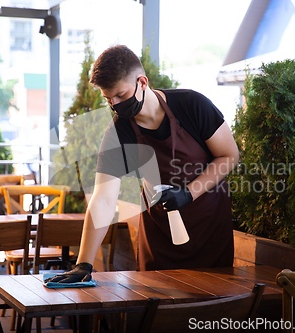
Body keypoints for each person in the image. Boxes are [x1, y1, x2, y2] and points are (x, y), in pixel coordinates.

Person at [45, 45, 239, 284]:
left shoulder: (193, 105)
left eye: (121, 95)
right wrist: (83, 263)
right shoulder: (119, 132)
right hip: (160, 236)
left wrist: (189, 193)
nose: (115, 104)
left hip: (209, 228)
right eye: (108, 99)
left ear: (143, 82)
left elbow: (229, 156)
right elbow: (104, 199)